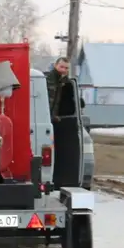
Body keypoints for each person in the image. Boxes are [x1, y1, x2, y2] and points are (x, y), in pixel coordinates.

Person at [45, 57, 78, 186]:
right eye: (62, 67)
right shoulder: (48, 80)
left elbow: (62, 102)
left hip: (54, 120)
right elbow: (48, 101)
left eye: (66, 68)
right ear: (55, 65)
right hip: (47, 119)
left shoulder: (64, 82)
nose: (64, 70)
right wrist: (51, 116)